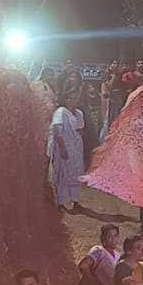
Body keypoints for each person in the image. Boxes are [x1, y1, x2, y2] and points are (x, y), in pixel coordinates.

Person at [46, 81, 87, 213]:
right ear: (66, 99)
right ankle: (61, 202)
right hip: (65, 145)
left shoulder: (79, 113)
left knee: (75, 174)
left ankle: (75, 201)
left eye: (75, 97)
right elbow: (57, 129)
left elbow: (81, 128)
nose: (73, 100)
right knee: (63, 174)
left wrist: (78, 137)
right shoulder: (61, 112)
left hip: (76, 147)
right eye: (70, 97)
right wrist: (62, 147)